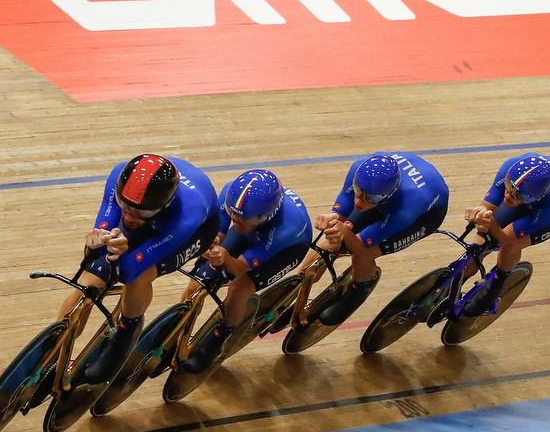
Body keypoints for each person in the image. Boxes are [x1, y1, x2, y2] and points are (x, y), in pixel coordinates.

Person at [70, 153, 219, 385]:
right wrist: (98, 242)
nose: (128, 217)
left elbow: (131, 268)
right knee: (94, 272)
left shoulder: (187, 212)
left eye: (139, 213)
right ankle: (58, 341)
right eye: (124, 207)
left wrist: (122, 253)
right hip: (153, 211)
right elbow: (103, 233)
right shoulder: (119, 178)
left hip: (191, 231)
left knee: (137, 276)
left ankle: (126, 334)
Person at [181, 169, 313, 374]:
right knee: (198, 282)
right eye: (232, 214)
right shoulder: (233, 200)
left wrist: (224, 258)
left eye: (240, 219)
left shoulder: (285, 229)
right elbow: (220, 230)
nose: (234, 220)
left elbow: (238, 268)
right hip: (254, 228)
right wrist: (215, 242)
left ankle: (220, 338)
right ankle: (177, 329)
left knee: (239, 286)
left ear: (264, 216)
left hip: (287, 248)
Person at [313, 152, 449, 325]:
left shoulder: (406, 209)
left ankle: (359, 290)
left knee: (363, 253)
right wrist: (333, 217)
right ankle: (297, 285)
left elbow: (360, 247)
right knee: (331, 241)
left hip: (425, 215)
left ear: (388, 194)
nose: (359, 202)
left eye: (370, 198)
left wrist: (346, 233)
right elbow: (345, 206)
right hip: (388, 194)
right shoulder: (359, 168)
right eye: (358, 191)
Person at [461, 153, 550, 315]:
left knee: (508, 245)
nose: (508, 195)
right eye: (508, 186)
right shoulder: (511, 167)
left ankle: (496, 286)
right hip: (530, 189)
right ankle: (455, 282)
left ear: (535, 197)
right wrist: (479, 214)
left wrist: (491, 226)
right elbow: (486, 207)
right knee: (480, 244)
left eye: (517, 195)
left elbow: (508, 242)